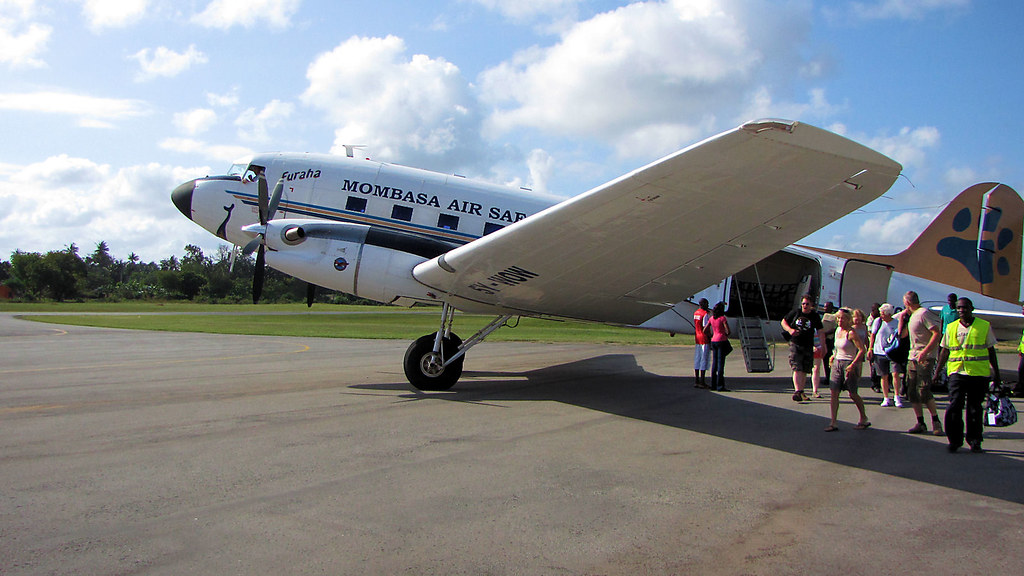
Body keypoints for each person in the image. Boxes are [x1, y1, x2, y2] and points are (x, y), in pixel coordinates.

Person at [935, 297, 1000, 453]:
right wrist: (937, 372)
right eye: (958, 308)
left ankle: (975, 440)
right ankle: (954, 440)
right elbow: (944, 351)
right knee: (954, 406)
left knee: (974, 408)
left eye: (964, 308)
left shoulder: (984, 326)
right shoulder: (951, 327)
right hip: (957, 372)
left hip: (978, 374)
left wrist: (996, 374)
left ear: (971, 308)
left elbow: (991, 351)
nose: (961, 311)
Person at [900, 291, 944, 436]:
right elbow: (902, 335)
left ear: (907, 302)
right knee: (912, 391)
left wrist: (925, 352)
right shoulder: (912, 316)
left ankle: (936, 421)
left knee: (923, 390)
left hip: (924, 357)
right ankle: (920, 422)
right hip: (912, 357)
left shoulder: (923, 313)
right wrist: (902, 319)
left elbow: (936, 333)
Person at [824, 308, 870, 432]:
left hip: (849, 363)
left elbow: (862, 350)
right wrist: (833, 355)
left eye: (842, 318)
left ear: (848, 319)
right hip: (837, 363)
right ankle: (833, 422)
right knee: (834, 392)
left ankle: (863, 418)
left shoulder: (851, 333)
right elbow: (836, 346)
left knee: (853, 393)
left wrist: (853, 364)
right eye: (838, 318)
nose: (839, 320)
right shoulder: (838, 330)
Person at [782, 294, 824, 402]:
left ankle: (801, 391)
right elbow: (784, 321)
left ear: (811, 305)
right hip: (796, 343)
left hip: (808, 344)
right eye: (803, 303)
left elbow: (820, 331)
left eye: (807, 304)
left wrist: (822, 346)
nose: (805, 306)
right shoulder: (796, 313)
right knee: (797, 367)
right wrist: (790, 330)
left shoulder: (814, 316)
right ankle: (797, 391)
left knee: (805, 369)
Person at [867, 303, 904, 408]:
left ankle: (897, 397)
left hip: (892, 352)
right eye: (881, 313)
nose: (881, 315)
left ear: (889, 314)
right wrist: (870, 348)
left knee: (895, 374)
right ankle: (886, 397)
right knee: (884, 375)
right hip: (879, 352)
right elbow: (873, 335)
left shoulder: (896, 323)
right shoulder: (877, 322)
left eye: (883, 313)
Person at [934, 293, 958, 393]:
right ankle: (940, 371)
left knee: (951, 354)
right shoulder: (944, 309)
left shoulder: (957, 310)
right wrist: (940, 333)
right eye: (948, 300)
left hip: (954, 335)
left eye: (951, 301)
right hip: (944, 333)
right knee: (941, 354)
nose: (950, 302)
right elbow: (942, 320)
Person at [706, 301, 731, 391]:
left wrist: (711, 335)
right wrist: (725, 335)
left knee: (714, 364)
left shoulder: (712, 318)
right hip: (721, 340)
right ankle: (720, 385)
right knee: (721, 364)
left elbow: (705, 329)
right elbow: (728, 331)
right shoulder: (722, 318)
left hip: (714, 340)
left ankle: (713, 385)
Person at [692, 298, 712, 389]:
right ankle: (702, 381)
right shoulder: (705, 314)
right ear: (703, 304)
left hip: (697, 336)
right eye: (706, 304)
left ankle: (696, 380)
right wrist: (710, 337)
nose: (708, 306)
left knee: (697, 358)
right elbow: (705, 327)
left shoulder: (696, 313)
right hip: (704, 337)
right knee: (704, 358)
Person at [867, 303, 882, 392]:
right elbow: (870, 333)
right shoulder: (871, 320)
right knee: (874, 366)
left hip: (881, 346)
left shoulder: (882, 319)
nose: (874, 312)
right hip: (873, 345)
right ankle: (875, 384)